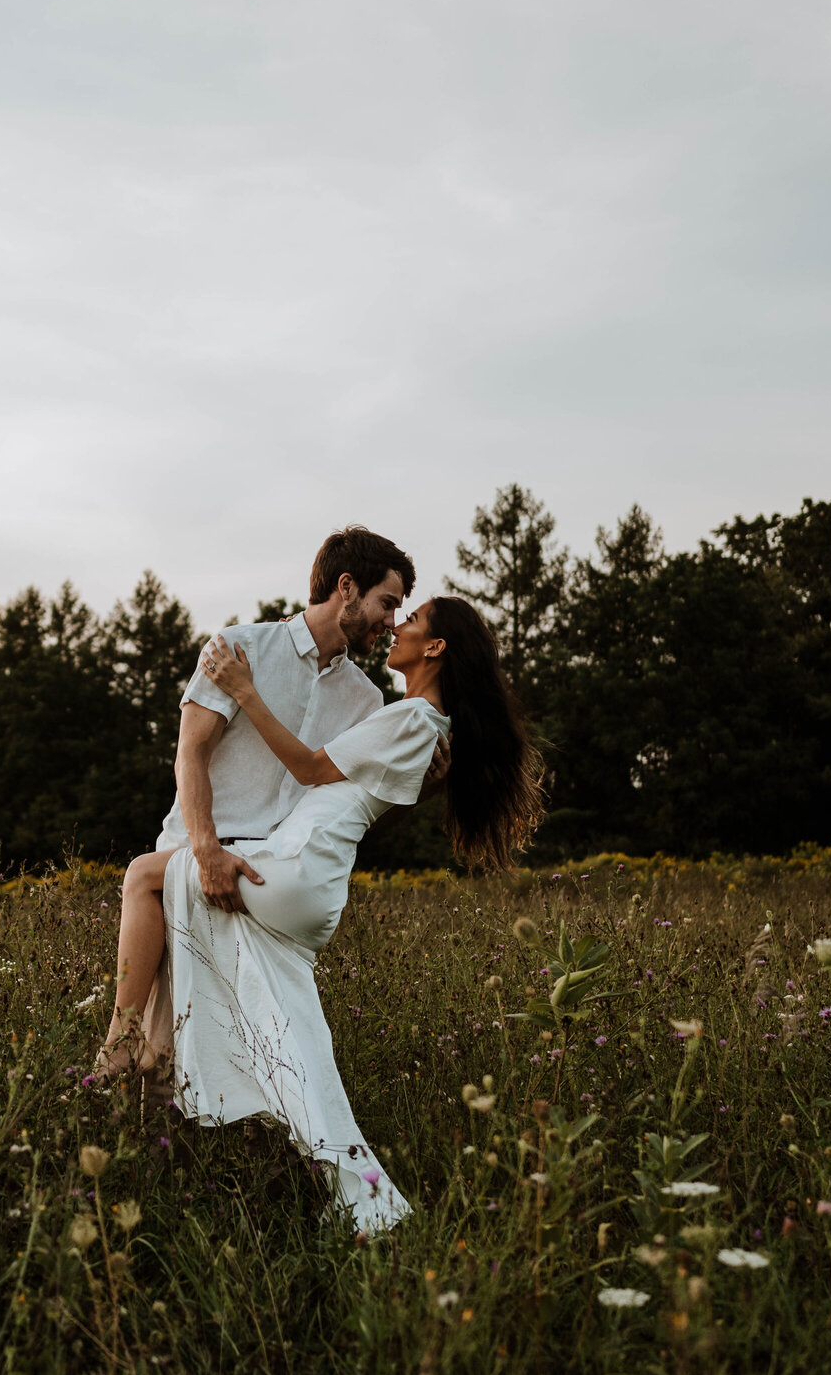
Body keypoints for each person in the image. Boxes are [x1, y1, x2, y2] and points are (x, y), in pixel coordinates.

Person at [107, 594, 545, 1234]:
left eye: (411, 618)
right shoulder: (422, 723)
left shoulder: (415, 717)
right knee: (293, 1038)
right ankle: (358, 1193)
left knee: (145, 874)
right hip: (310, 879)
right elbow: (361, 801)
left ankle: (118, 1048)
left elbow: (312, 770)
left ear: (435, 648)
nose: (397, 625)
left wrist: (244, 691)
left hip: (297, 867)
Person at [99, 526, 433, 1077]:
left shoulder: (368, 701)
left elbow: (361, 798)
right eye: (387, 603)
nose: (391, 621)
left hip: (262, 885)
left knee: (231, 1065)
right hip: (192, 860)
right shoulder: (238, 648)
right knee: (148, 1056)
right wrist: (205, 852)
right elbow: (190, 755)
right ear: (346, 587)